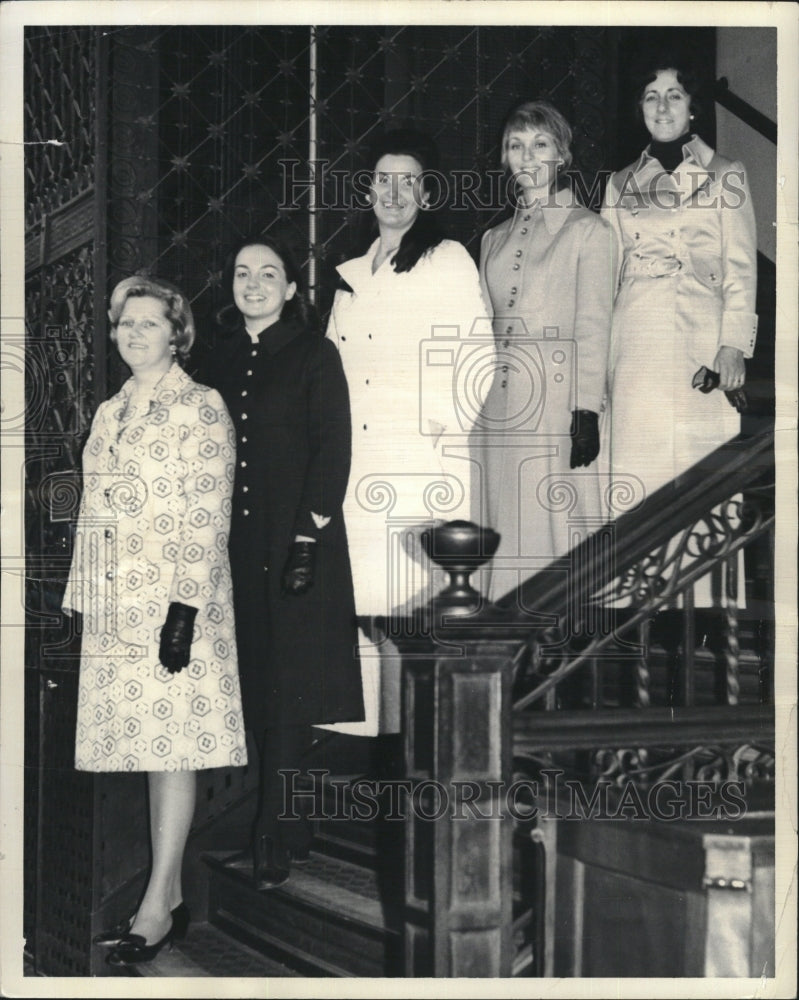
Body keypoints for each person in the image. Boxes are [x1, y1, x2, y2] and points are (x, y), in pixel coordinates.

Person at [62, 276, 247, 965]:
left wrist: (184, 612)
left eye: (148, 323)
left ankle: (157, 903)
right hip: (118, 604)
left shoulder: (199, 407)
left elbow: (209, 512)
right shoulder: (112, 411)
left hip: (174, 603)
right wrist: (83, 598)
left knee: (173, 746)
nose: (133, 334)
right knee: (150, 747)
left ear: (177, 333)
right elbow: (94, 511)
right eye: (123, 325)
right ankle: (163, 896)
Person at [198, 234, 363, 889]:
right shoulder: (218, 359)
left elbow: (334, 451)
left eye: (269, 273)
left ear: (292, 289)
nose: (255, 283)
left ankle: (271, 833)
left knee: (289, 689)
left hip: (299, 545)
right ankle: (289, 824)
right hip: (238, 546)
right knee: (257, 680)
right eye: (243, 273)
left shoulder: (314, 354)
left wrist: (307, 537)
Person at [325, 127, 490, 734]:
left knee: (410, 615)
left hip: (420, 469)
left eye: (409, 182)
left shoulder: (446, 260)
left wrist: (437, 438)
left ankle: (412, 757)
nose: (395, 193)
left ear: (425, 194)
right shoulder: (351, 274)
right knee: (369, 615)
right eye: (384, 180)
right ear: (369, 190)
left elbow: (478, 360)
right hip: (359, 469)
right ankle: (381, 756)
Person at [600, 56, 757, 604]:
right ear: (639, 108)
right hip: (636, 339)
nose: (662, 105)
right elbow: (607, 276)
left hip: (701, 344)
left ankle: (708, 604)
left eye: (673, 95)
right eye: (651, 95)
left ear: (692, 108)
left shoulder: (726, 175)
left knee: (702, 468)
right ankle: (637, 603)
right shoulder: (619, 184)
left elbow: (741, 268)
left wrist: (734, 344)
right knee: (638, 468)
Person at [476, 100, 618, 602]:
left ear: (562, 154)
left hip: (555, 409)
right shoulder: (491, 239)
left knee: (549, 526)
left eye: (540, 144)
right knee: (498, 523)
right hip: (495, 405)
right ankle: (505, 643)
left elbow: (593, 324)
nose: (527, 156)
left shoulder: (589, 230)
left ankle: (556, 646)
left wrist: (586, 410)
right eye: (516, 145)